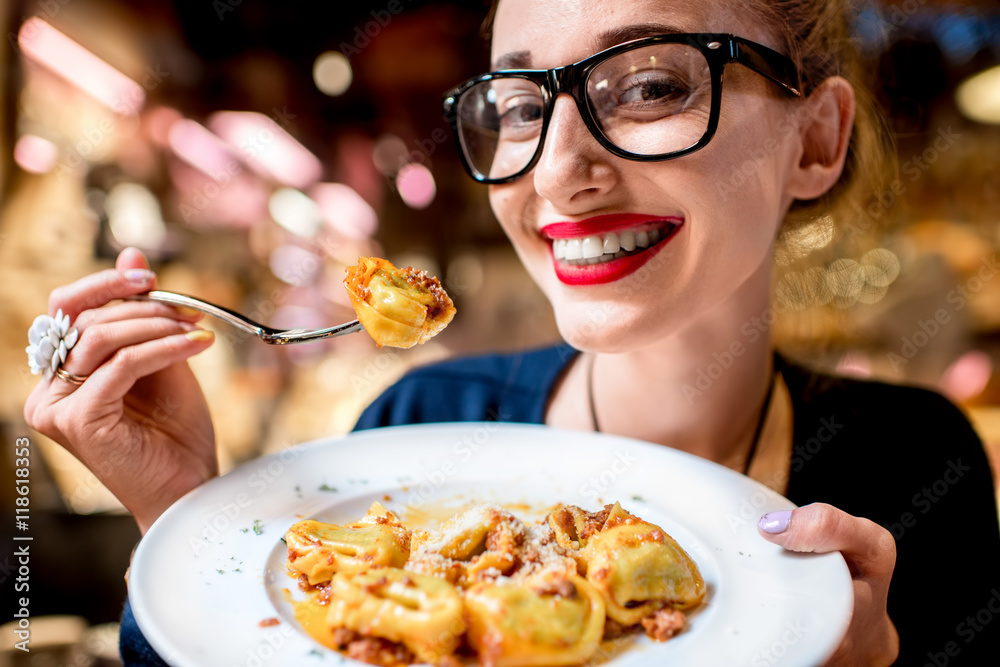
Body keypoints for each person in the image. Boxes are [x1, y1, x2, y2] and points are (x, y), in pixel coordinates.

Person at [23, 0, 1000, 665]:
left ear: (817, 142)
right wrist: (187, 521)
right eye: (523, 103)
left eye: (651, 85)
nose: (555, 167)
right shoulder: (414, 424)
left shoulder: (914, 463)